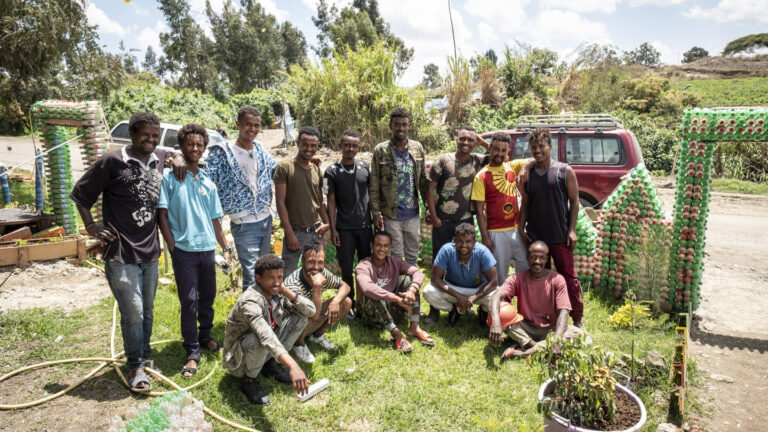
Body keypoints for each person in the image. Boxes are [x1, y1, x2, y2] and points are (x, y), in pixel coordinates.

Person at [70, 112, 183, 392]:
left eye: (155, 135)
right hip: (120, 252)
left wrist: (177, 157)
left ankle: (144, 357)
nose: (151, 139)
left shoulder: (159, 156)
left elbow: (176, 153)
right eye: (145, 134)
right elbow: (80, 195)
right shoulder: (112, 161)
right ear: (132, 134)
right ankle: (135, 367)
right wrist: (92, 226)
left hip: (150, 252)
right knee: (132, 311)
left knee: (147, 309)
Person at [157, 124, 231, 378]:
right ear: (181, 146)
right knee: (188, 301)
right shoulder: (170, 178)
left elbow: (215, 219)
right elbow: (162, 215)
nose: (196, 148)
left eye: (200, 144)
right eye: (190, 144)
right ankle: (191, 349)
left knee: (207, 296)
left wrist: (225, 246)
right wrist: (171, 244)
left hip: (206, 249)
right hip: (184, 250)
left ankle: (206, 336)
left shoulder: (208, 183)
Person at [223, 254, 312, 405]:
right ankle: (250, 380)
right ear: (258, 278)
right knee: (259, 339)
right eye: (271, 278)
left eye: (280, 277)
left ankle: (269, 364)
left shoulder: (276, 292)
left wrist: (285, 290)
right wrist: (293, 365)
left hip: (262, 349)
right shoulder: (250, 301)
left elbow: (311, 311)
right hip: (238, 360)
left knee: (300, 318)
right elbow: (265, 336)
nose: (276, 282)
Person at [204, 106, 276, 290]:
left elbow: (277, 171)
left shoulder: (259, 148)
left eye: (256, 125)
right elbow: (205, 179)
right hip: (244, 223)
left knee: (264, 272)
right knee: (252, 276)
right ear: (238, 124)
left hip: (264, 219)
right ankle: (249, 316)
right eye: (247, 125)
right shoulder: (222, 152)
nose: (252, 129)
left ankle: (262, 313)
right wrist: (176, 160)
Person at [519, 128, 584, 327]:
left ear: (550, 146)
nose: (537, 150)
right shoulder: (528, 175)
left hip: (559, 236)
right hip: (537, 238)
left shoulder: (564, 171)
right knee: (541, 281)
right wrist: (521, 227)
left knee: (569, 280)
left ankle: (577, 320)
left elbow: (574, 202)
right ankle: (546, 318)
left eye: (541, 146)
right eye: (533, 147)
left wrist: (571, 230)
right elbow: (526, 204)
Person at [488, 242, 583, 359]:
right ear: (528, 258)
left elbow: (564, 311)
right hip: (525, 326)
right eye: (533, 257)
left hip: (550, 328)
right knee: (502, 315)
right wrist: (496, 323)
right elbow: (495, 296)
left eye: (541, 258)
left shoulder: (557, 279)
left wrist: (557, 339)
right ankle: (540, 348)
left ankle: (525, 351)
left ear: (547, 259)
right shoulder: (518, 278)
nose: (537, 261)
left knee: (577, 333)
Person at [356, 231, 434, 352]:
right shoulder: (364, 265)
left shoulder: (394, 261)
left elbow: (417, 272)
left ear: (390, 247)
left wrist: (412, 290)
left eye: (386, 245)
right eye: (378, 245)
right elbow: (366, 288)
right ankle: (396, 335)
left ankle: (414, 327)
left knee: (410, 280)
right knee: (373, 294)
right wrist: (396, 298)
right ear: (371, 245)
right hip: (373, 317)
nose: (382, 249)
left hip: (393, 311)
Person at [369, 107, 427, 266]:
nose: (400, 128)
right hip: (391, 214)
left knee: (413, 251)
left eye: (404, 124)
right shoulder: (381, 150)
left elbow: (423, 181)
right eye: (397, 124)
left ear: (408, 126)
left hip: (413, 213)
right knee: (395, 253)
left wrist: (428, 207)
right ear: (391, 126)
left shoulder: (417, 148)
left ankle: (411, 285)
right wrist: (375, 213)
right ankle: (398, 286)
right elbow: (374, 183)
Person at [471, 132, 530, 285]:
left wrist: (526, 168)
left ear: (508, 151)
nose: (499, 154)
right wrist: (485, 238)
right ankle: (501, 307)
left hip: (517, 230)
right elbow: (479, 211)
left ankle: (524, 306)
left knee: (525, 270)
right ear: (489, 148)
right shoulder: (481, 177)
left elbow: (534, 160)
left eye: (503, 151)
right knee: (500, 276)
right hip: (496, 233)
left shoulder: (512, 167)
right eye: (496, 149)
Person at [325, 130, 372, 317]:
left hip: (365, 226)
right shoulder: (331, 171)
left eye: (354, 145)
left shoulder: (365, 167)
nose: (350, 149)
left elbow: (372, 194)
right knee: (346, 267)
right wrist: (333, 227)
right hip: (344, 228)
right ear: (340, 146)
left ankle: (365, 300)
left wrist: (376, 217)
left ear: (358, 148)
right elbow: (330, 201)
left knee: (365, 265)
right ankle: (349, 302)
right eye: (347, 145)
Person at [274, 126, 330, 276]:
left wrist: (327, 223)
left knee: (315, 272)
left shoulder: (317, 169)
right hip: (296, 231)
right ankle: (287, 300)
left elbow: (319, 201)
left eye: (313, 146)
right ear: (298, 143)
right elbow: (280, 202)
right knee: (288, 274)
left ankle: (311, 300)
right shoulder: (285, 166)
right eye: (305, 144)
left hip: (315, 231)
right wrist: (290, 233)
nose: (309, 149)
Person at [425, 125, 489, 257]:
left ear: (475, 143)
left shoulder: (477, 160)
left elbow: (501, 156)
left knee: (465, 256)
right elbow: (430, 189)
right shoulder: (442, 160)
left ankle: (462, 278)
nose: (466, 142)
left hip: (466, 220)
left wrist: (483, 143)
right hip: (442, 221)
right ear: (456, 140)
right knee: (441, 257)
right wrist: (434, 216)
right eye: (462, 138)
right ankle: (438, 279)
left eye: (471, 140)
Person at [284, 240, 352, 363]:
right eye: (311, 262)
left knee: (346, 302)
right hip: (291, 327)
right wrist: (317, 286)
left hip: (310, 318)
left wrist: (336, 301)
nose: (316, 267)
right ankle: (298, 344)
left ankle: (317, 335)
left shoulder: (322, 273)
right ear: (303, 261)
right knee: (307, 314)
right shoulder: (292, 285)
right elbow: (313, 315)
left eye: (320, 262)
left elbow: (345, 286)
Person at [423, 223, 498, 327]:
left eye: (468, 241)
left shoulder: (482, 252)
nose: (463, 245)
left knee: (497, 296)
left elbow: (493, 282)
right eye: (460, 241)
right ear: (454, 240)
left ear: (474, 242)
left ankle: (483, 311)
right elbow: (435, 279)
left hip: (477, 290)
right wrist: (458, 296)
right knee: (428, 291)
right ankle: (454, 310)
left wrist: (473, 298)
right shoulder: (447, 250)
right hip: (453, 289)